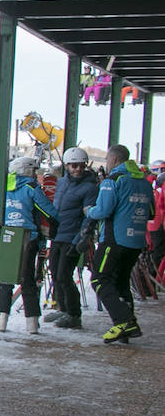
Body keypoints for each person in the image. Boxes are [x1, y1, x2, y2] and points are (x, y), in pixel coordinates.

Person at [83, 143, 153, 343]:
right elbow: (151, 213)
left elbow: (103, 210)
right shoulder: (145, 182)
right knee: (121, 281)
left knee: (99, 279)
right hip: (136, 240)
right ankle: (126, 330)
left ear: (113, 159)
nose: (106, 163)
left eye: (107, 159)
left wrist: (89, 211)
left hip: (114, 240)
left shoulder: (113, 180)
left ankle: (124, 321)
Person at [0, 155, 58, 334]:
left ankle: (1, 320)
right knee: (28, 280)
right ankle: (31, 323)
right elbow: (48, 209)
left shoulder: (4, 186)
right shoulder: (31, 187)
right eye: (33, 171)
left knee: (5, 279)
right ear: (27, 170)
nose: (35, 175)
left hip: (8, 236)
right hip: (28, 238)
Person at [42, 147, 96, 330]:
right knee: (55, 272)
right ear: (67, 166)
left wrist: (81, 238)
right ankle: (63, 307)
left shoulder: (89, 187)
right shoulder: (62, 183)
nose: (77, 169)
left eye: (81, 166)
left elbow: (89, 216)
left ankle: (74, 314)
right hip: (58, 234)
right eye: (74, 166)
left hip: (72, 236)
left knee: (65, 275)